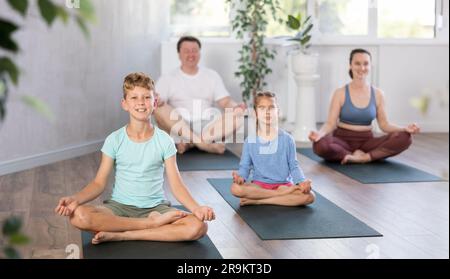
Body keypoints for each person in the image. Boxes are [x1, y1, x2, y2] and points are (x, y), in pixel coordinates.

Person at [55, 72, 215, 244]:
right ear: (125, 104)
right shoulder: (114, 139)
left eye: (147, 97)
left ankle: (125, 234)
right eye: (134, 97)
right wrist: (75, 199)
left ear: (154, 103)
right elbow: (98, 183)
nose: (140, 102)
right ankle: (149, 225)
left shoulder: (164, 141)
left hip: (155, 209)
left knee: (198, 227)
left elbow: (176, 185)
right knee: (78, 216)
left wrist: (196, 208)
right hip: (119, 208)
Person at [309, 48, 420, 164]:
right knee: (319, 144)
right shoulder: (340, 93)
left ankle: (365, 157)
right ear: (350, 65)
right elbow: (330, 124)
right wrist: (319, 134)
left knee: (405, 137)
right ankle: (350, 155)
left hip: (367, 143)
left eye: (366, 64)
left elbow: (384, 125)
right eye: (357, 63)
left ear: (370, 66)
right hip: (341, 141)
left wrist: (404, 129)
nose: (362, 68)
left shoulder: (378, 94)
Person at [154, 36, 246, 155]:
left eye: (194, 51)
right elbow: (157, 103)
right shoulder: (167, 78)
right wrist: (158, 101)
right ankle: (204, 144)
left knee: (238, 117)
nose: (191, 54)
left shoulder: (212, 75)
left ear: (199, 53)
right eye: (186, 51)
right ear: (179, 54)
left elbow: (225, 101)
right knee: (158, 109)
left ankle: (191, 143)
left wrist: (236, 107)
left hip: (208, 127)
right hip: (179, 126)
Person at [230, 91, 315, 206]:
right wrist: (241, 177)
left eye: (271, 108)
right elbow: (245, 167)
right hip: (259, 186)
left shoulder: (288, 139)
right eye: (262, 108)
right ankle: (279, 197)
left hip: (284, 186)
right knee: (236, 189)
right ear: (255, 113)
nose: (267, 112)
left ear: (277, 111)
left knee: (310, 197)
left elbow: (294, 166)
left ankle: (259, 201)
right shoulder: (250, 141)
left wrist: (301, 182)